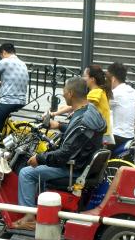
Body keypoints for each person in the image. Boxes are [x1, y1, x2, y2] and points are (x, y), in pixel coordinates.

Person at [12, 77, 106, 231]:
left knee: (26, 173)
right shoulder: (90, 111)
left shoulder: (81, 119)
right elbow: (78, 133)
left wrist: (40, 158)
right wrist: (59, 126)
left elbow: (64, 154)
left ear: (70, 93)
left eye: (64, 92)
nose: (63, 95)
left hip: (72, 169)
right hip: (84, 165)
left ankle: (29, 218)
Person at [51, 64, 113, 145]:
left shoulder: (95, 92)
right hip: (104, 131)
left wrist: (54, 113)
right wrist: (61, 109)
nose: (83, 78)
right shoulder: (101, 90)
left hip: (102, 135)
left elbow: (77, 105)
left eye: (85, 76)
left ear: (92, 79)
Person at [107, 62, 135, 150]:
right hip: (130, 136)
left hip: (115, 136)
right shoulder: (131, 91)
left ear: (113, 79)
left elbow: (99, 106)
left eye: (106, 78)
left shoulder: (116, 94)